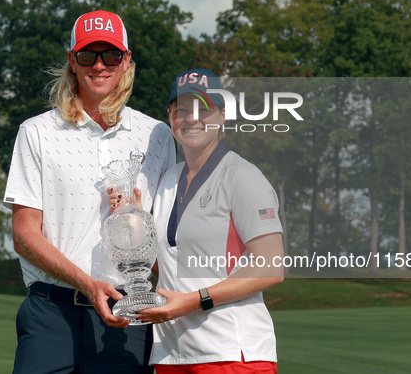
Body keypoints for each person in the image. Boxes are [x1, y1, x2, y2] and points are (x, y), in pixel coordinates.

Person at [3, 10, 176, 373]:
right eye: (88, 55)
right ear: (72, 61)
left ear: (126, 60)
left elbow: (162, 242)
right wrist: (87, 283)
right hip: (50, 312)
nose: (100, 65)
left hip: (127, 314)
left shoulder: (157, 134)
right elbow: (23, 234)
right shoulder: (36, 132)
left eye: (111, 55)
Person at [111, 69, 285, 373]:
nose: (191, 119)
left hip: (232, 353)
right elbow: (167, 266)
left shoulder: (242, 177)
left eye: (202, 109)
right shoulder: (166, 180)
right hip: (171, 355)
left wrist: (193, 302)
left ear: (222, 115)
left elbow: (271, 268)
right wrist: (132, 221)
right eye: (181, 110)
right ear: (169, 117)